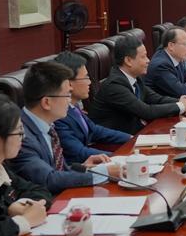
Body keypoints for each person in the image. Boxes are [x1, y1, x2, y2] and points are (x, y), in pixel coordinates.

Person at [8, 62, 119, 195]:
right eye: (67, 95)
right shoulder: (20, 135)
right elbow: (49, 179)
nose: (69, 100)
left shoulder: (47, 126)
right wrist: (104, 173)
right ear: (47, 102)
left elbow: (58, 170)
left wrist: (84, 168)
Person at [88, 35, 186, 135]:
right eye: (143, 57)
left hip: (134, 133)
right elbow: (146, 111)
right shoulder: (115, 86)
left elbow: (156, 99)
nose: (148, 61)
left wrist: (182, 101)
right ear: (128, 60)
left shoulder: (135, 78)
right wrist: (181, 106)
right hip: (115, 142)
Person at [0, 94, 51, 236]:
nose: (23, 138)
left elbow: (38, 190)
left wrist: (19, 205)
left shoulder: (0, 168)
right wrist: (24, 221)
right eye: (18, 132)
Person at [53, 52, 131, 164]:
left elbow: (94, 130)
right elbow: (78, 152)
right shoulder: (59, 115)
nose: (89, 82)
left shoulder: (73, 106)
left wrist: (130, 138)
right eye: (85, 77)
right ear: (69, 83)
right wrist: (118, 157)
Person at [144, 27, 186, 98]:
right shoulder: (161, 65)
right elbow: (181, 91)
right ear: (171, 46)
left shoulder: (178, 57)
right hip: (164, 104)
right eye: (185, 44)